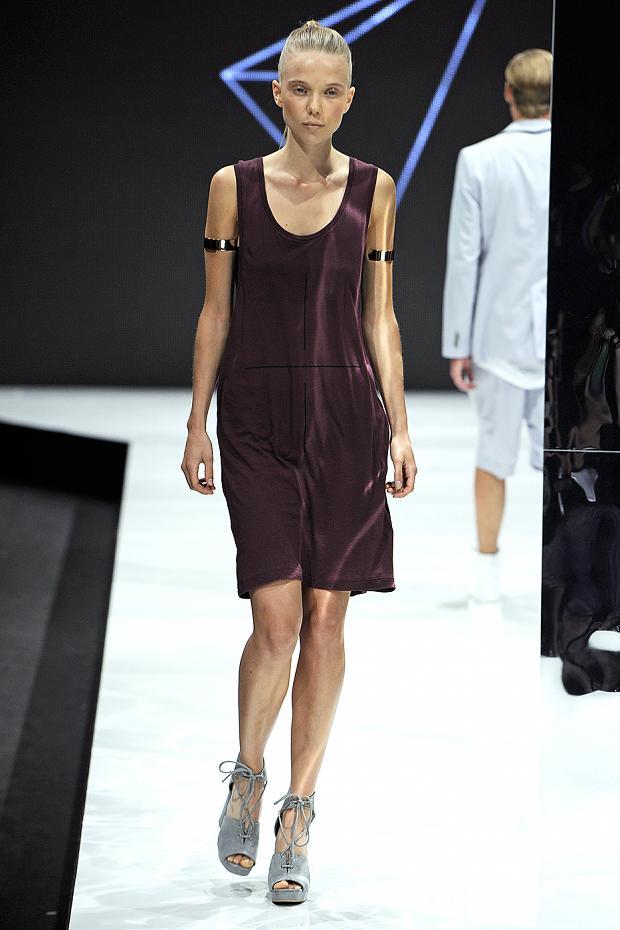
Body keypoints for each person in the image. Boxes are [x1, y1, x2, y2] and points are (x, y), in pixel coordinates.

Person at [180, 19, 416, 905]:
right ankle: (248, 775)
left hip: (346, 420)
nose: (314, 106)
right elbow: (215, 312)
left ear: (349, 100)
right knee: (275, 618)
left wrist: (398, 426)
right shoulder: (232, 187)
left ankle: (297, 816)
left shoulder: (376, 189)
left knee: (326, 622)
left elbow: (379, 315)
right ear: (276, 92)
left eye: (330, 92)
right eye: (300, 89)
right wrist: (197, 422)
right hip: (256, 419)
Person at [441, 48, 552, 602]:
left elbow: (466, 256)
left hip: (496, 333)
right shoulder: (582, 157)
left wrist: (457, 342)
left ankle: (487, 580)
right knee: (572, 464)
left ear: (509, 92)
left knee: (492, 456)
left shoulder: (479, 159)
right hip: (570, 335)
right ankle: (571, 579)